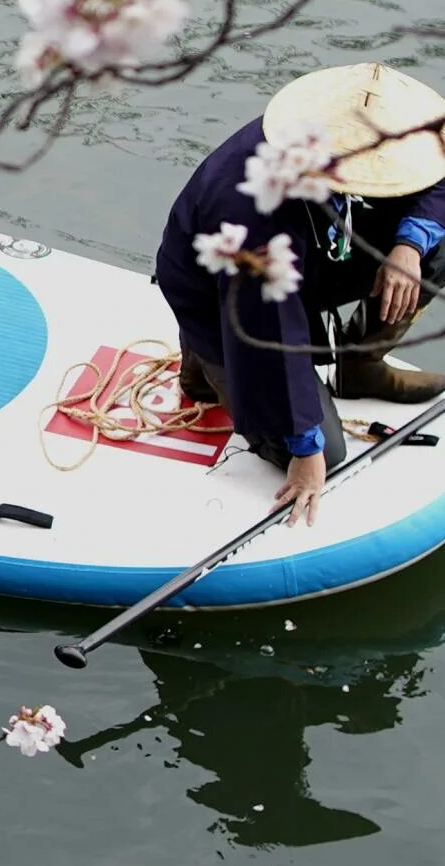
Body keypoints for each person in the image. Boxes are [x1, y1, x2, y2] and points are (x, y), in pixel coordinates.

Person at [154, 62, 445, 528]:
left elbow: (439, 175)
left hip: (317, 246)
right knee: (326, 451)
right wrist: (305, 449)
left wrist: (409, 246)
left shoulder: (391, 133)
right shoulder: (248, 209)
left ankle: (361, 366)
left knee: (437, 243)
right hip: (229, 296)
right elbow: (268, 332)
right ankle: (205, 362)